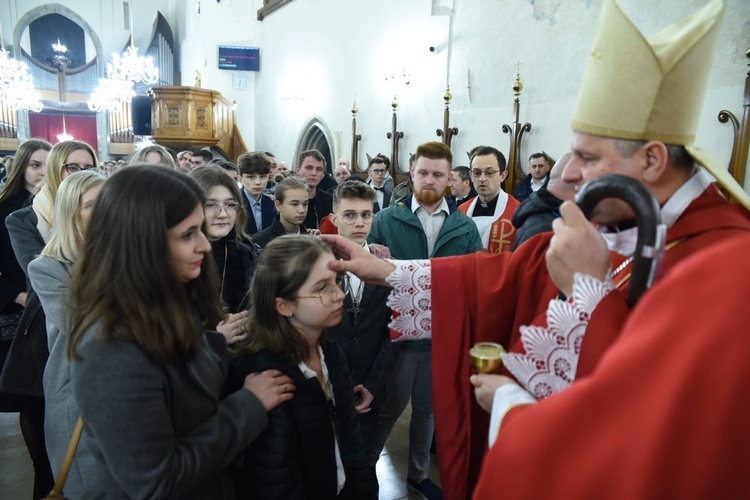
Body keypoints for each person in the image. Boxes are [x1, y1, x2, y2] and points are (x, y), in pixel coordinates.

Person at [321, 0, 750, 497]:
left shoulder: (727, 271)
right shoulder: (621, 227)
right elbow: (505, 276)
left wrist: (512, 404)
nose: (566, 174)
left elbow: (647, 429)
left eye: (587, 157)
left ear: (653, 159)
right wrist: (387, 271)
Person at [67, 165, 294, 498]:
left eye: (200, 229)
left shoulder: (164, 302)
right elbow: (156, 479)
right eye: (188, 234)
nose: (204, 245)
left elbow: (176, 368)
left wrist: (217, 341)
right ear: (142, 242)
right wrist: (248, 405)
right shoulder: (110, 346)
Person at [367, 141, 482, 500]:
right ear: (412, 173)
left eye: (437, 174)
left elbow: (475, 276)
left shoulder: (464, 226)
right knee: (389, 408)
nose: (429, 180)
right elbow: (370, 272)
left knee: (428, 411)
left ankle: (417, 473)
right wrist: (371, 250)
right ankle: (363, 469)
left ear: (449, 178)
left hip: (441, 335)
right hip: (397, 334)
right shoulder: (387, 219)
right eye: (422, 173)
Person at [227, 235, 377, 499]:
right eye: (322, 288)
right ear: (283, 305)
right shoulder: (264, 376)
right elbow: (276, 481)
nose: (339, 295)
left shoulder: (330, 352)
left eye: (336, 282)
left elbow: (353, 444)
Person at [2, 139, 98, 499]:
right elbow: (33, 269)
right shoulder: (23, 217)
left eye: (88, 165)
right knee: (50, 427)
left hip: (86, 338)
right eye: (72, 167)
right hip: (42, 324)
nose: (81, 172)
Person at [27, 171, 105, 498]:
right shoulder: (48, 267)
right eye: (92, 205)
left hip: (124, 379)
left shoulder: (125, 256)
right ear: (72, 213)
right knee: (87, 484)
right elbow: (84, 326)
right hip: (75, 385)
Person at [327, 181, 393, 454]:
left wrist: (374, 384)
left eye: (366, 215)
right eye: (350, 215)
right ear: (334, 219)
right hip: (327, 381)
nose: (359, 223)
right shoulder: (318, 264)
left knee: (363, 458)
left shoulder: (387, 265)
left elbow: (393, 333)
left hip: (369, 379)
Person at [189, 165, 261, 343]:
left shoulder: (247, 253)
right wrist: (215, 338)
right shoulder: (177, 258)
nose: (222, 214)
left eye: (230, 205)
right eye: (211, 205)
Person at [0, 139, 51, 362]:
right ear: (22, 167)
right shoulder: (5, 209)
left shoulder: (64, 205)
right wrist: (19, 297)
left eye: (49, 166)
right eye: (35, 165)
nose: (42, 173)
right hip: (19, 305)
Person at [459, 146, 520, 253]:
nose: (482, 179)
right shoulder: (460, 212)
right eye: (477, 173)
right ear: (470, 175)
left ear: (503, 175)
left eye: (489, 172)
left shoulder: (518, 212)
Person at [510, 152, 576, 249]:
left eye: (540, 166)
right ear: (529, 168)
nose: (537, 169)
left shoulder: (553, 189)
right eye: (534, 166)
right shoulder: (521, 186)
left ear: (547, 167)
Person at [253, 176, 310, 248]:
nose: (302, 210)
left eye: (305, 204)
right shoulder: (260, 242)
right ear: (278, 205)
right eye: (294, 204)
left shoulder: (312, 240)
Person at [238, 151, 276, 236]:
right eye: (251, 177)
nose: (258, 182)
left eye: (262, 176)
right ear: (240, 179)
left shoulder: (272, 204)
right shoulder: (234, 204)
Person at [295, 149, 334, 230]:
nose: (314, 173)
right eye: (309, 168)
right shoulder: (287, 199)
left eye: (319, 169)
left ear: (323, 175)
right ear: (298, 170)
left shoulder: (330, 201)